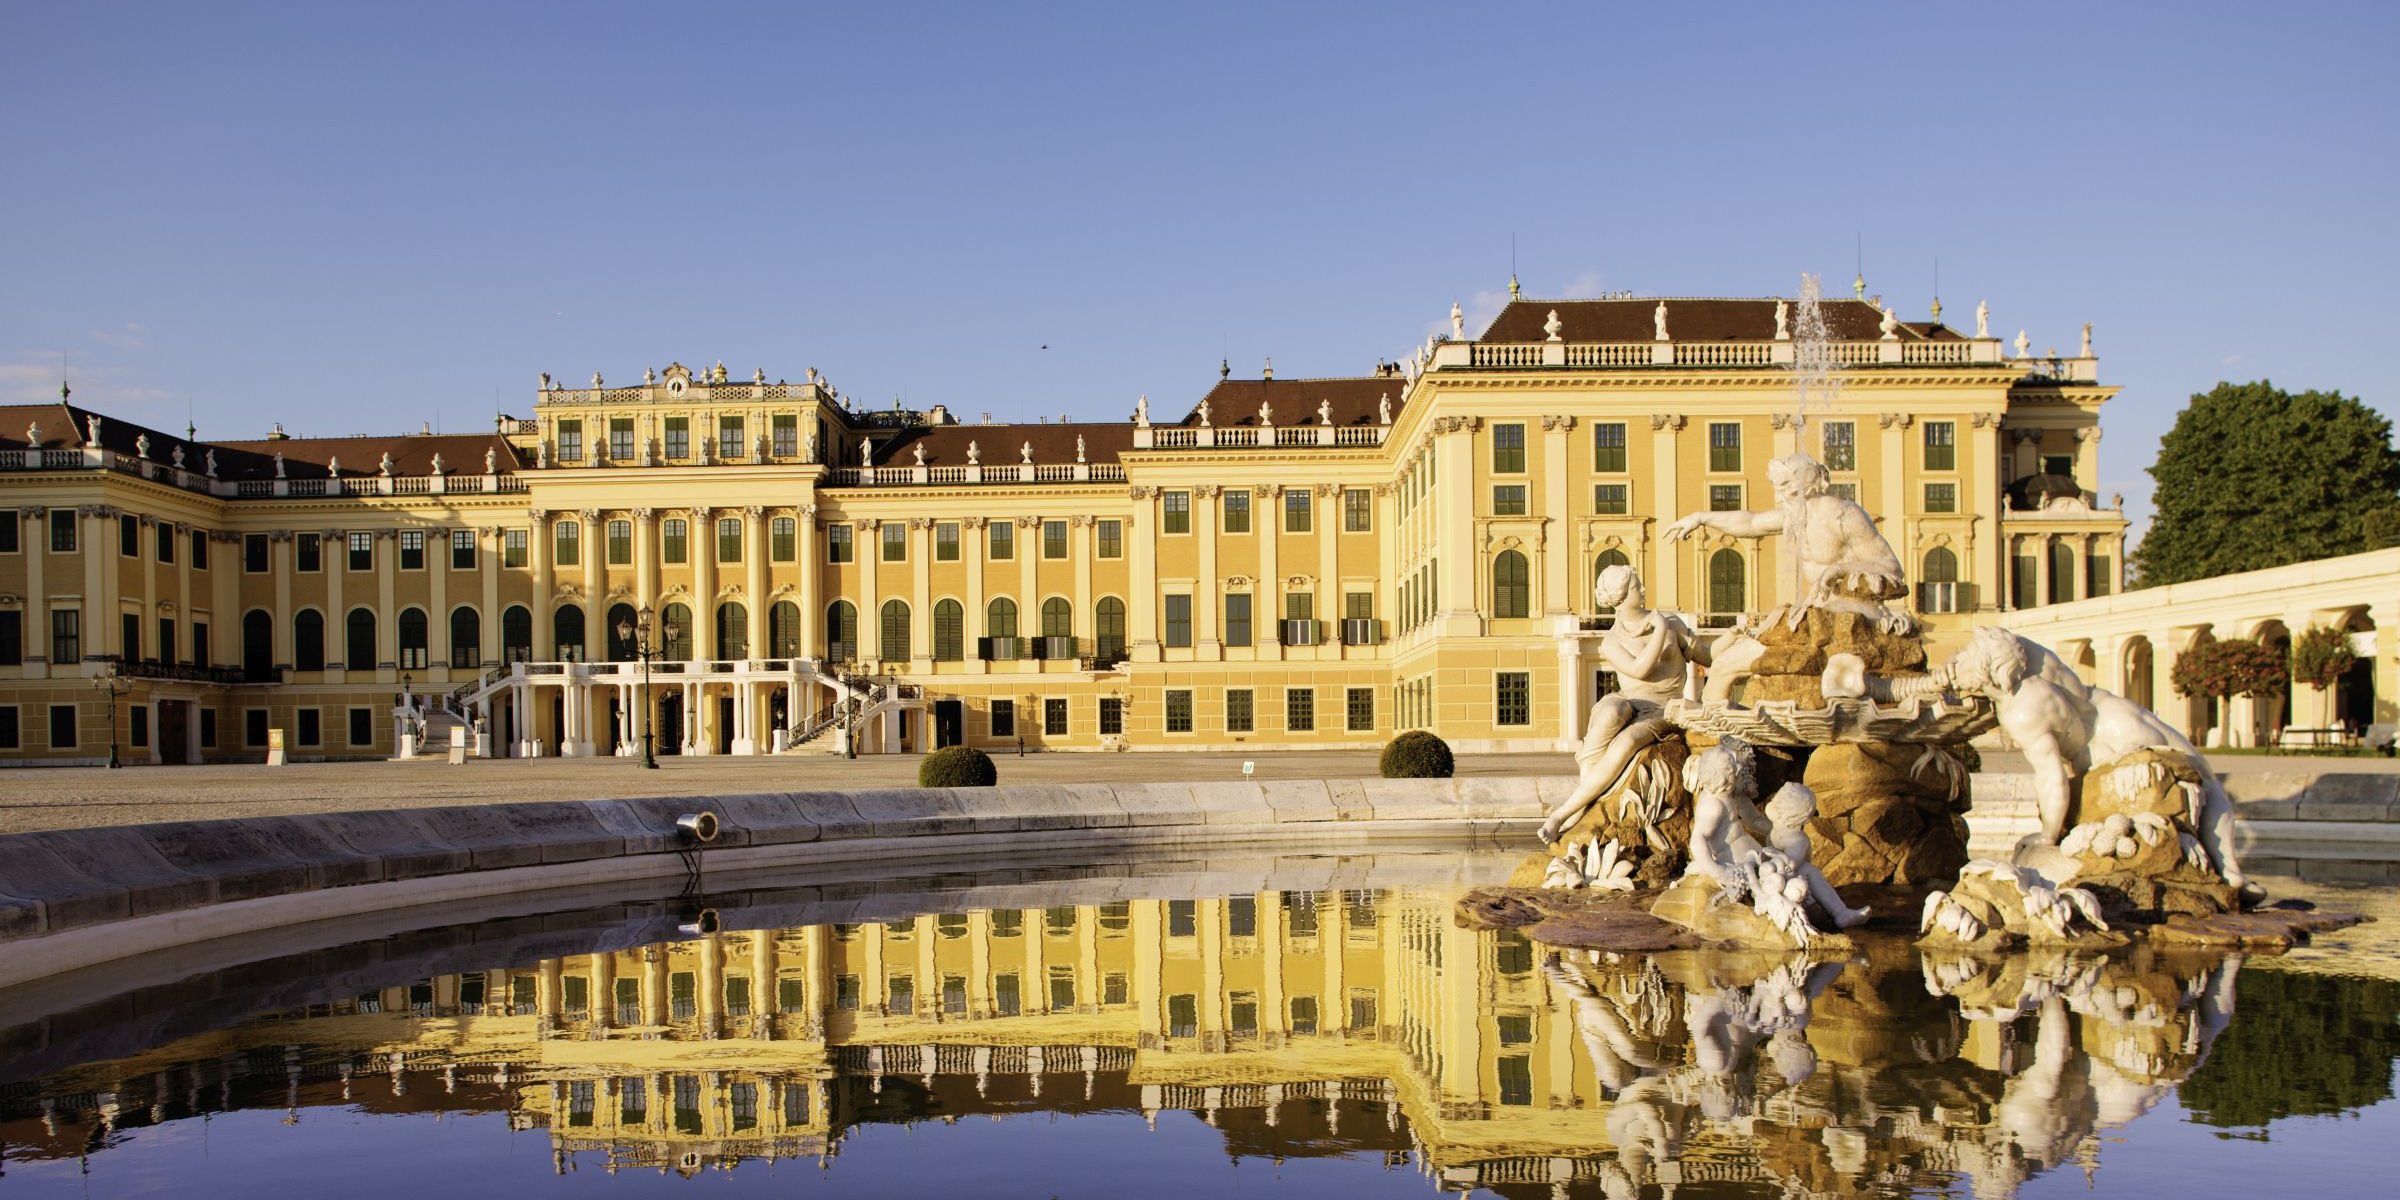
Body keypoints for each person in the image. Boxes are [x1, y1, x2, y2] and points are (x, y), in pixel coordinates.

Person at [1538, 565, 1704, 843]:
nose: (1644, 590)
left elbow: (1705, 654)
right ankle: (1585, 785)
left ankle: (1563, 813)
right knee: (1610, 710)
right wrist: (1661, 628)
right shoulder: (1612, 641)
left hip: (1664, 708)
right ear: (1622, 595)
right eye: (1638, 587)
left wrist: (1740, 643)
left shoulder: (1673, 625)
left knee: (1626, 742)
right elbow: (1641, 670)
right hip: (1632, 701)